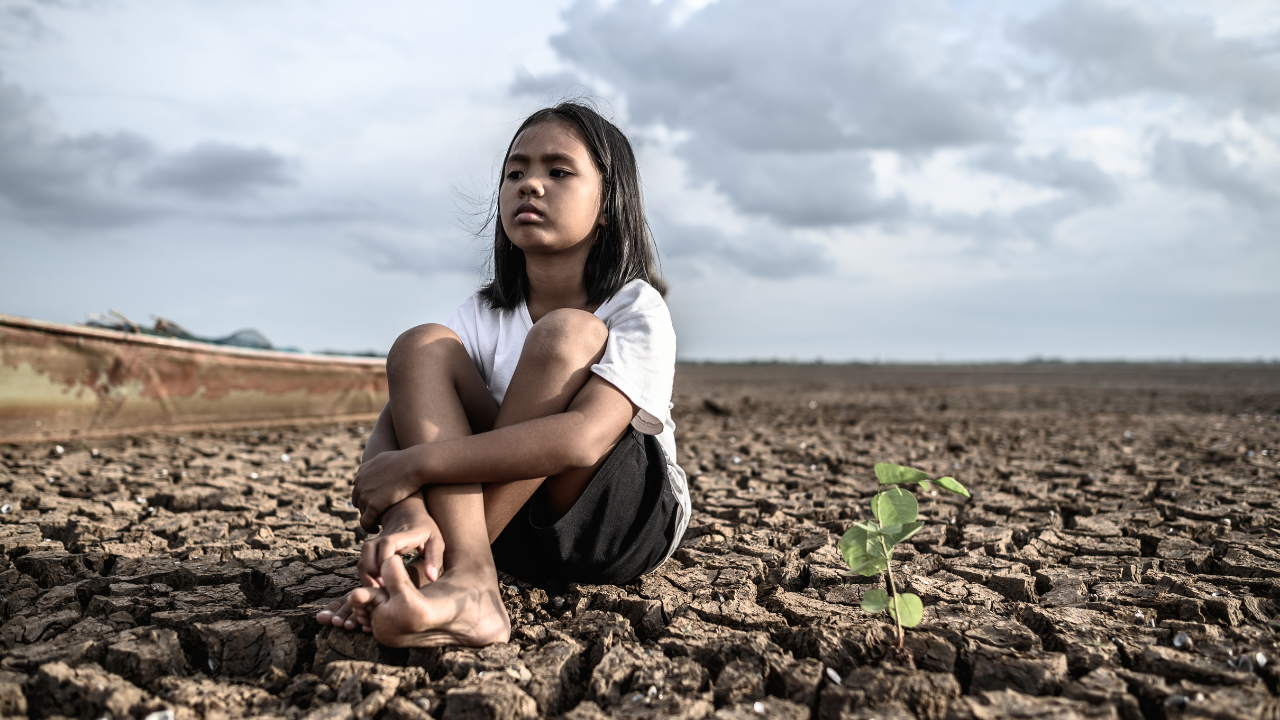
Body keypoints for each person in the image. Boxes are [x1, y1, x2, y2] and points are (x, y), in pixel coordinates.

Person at [315, 102, 689, 647]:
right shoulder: (481, 313)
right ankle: (459, 583)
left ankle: (451, 576)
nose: (530, 185)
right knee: (421, 347)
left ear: (608, 204)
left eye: (558, 172)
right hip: (506, 528)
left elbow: (583, 440)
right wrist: (406, 514)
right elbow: (401, 419)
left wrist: (417, 467)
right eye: (516, 172)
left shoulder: (635, 305)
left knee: (567, 336)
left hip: (614, 522)